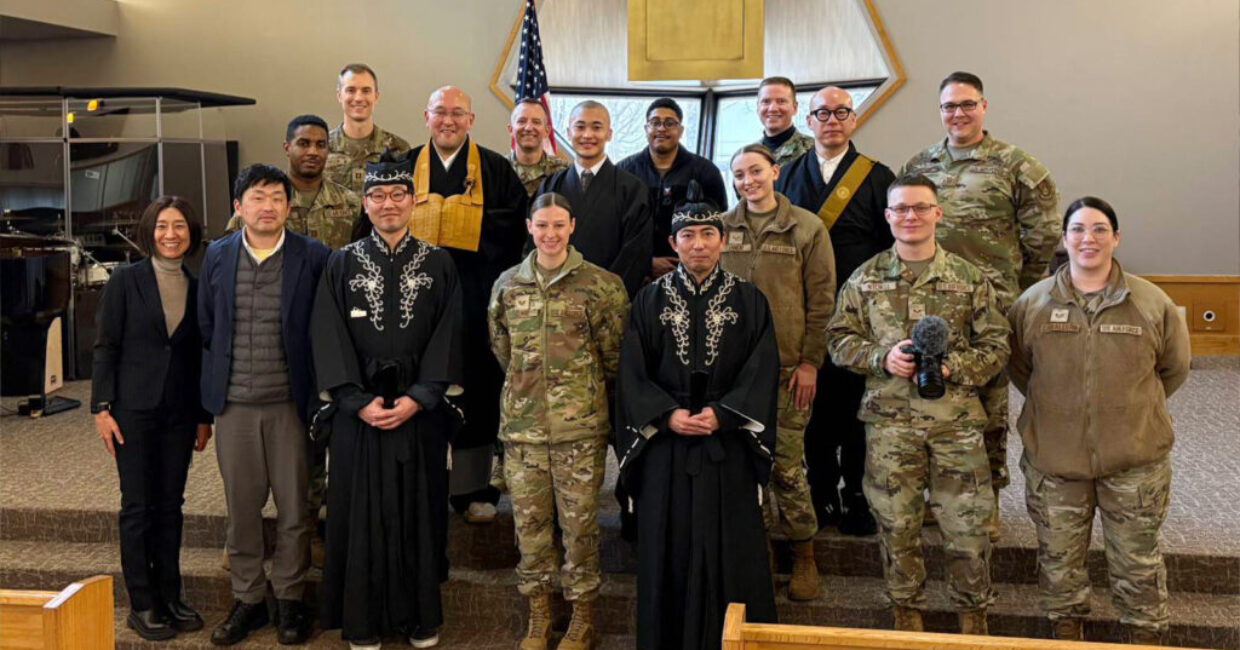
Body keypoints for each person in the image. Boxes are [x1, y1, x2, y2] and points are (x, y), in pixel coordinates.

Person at [826, 174, 1008, 635]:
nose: (911, 216)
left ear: (937, 214)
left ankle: (973, 617)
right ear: (888, 217)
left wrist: (953, 368)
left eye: (920, 208)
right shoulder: (865, 279)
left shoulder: (969, 280)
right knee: (897, 524)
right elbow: (837, 341)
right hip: (889, 426)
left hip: (956, 426)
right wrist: (880, 357)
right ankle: (907, 613)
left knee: (967, 529)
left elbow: (997, 347)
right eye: (901, 209)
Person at [1008, 197, 1190, 645]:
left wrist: (1128, 410)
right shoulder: (1033, 303)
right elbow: (1020, 369)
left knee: (1138, 566)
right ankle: (1067, 633)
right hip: (1056, 463)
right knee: (1059, 564)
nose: (1088, 239)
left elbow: (1174, 367)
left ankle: (1144, 638)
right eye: (1078, 229)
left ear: (1116, 237)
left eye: (1099, 229)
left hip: (1134, 463)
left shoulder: (1151, 302)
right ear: (1065, 238)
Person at [312, 151, 465, 650]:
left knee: (418, 512)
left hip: (418, 414)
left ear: (413, 200)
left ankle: (419, 618)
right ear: (365, 202)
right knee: (359, 516)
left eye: (398, 194)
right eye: (377, 195)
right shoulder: (342, 262)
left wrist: (420, 397)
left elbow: (449, 335)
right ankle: (362, 621)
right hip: (360, 416)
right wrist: (356, 401)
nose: (388, 204)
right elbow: (328, 335)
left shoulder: (440, 263)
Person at [616, 192, 780, 650]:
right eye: (688, 235)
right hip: (666, 446)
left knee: (731, 549)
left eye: (709, 233)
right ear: (674, 241)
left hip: (726, 443)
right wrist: (667, 415)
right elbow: (631, 373)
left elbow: (762, 369)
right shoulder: (647, 302)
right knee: (668, 549)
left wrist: (723, 415)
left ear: (723, 240)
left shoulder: (750, 301)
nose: (699, 244)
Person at [901, 71, 1060, 538]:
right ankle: (935, 493)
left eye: (967, 104)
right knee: (929, 397)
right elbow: (903, 222)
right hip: (929, 302)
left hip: (989, 305)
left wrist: (1018, 290)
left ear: (984, 107)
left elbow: (1043, 234)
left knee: (988, 405)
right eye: (949, 106)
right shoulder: (920, 163)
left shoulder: (1016, 165)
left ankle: (986, 496)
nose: (958, 114)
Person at [488, 192, 629, 650]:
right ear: (529, 227)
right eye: (542, 225)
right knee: (529, 528)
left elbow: (614, 357)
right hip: (523, 431)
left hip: (579, 431)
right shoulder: (508, 284)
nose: (550, 234)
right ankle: (539, 615)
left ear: (572, 227)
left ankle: (583, 617)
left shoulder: (602, 285)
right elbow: (502, 348)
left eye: (558, 225)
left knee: (580, 528)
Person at [199, 164, 329, 645]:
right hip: (233, 404)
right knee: (243, 509)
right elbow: (207, 327)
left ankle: (291, 599)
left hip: (291, 404)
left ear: (289, 208)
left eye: (277, 197)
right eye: (257, 197)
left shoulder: (312, 255)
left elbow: (322, 328)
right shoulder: (217, 255)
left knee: (296, 510)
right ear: (239, 207)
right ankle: (249, 600)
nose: (268, 206)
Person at [394, 85, 529, 523]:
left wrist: (453, 221)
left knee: (476, 386)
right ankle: (415, 480)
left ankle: (474, 488)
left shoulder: (494, 168)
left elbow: (514, 227)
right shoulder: (402, 167)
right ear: (426, 116)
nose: (448, 121)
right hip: (411, 301)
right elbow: (375, 219)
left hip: (475, 296)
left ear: (471, 120)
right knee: (413, 382)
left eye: (457, 113)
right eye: (440, 113)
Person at [91, 196, 212, 641]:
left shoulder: (199, 286)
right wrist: (101, 408)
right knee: (138, 506)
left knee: (171, 506)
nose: (171, 234)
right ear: (149, 230)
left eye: (179, 226)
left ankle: (171, 595)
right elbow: (106, 346)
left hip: (180, 412)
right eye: (162, 225)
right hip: (132, 411)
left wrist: (203, 416)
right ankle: (142, 602)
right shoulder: (125, 280)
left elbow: (199, 357)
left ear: (191, 233)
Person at [776, 85, 895, 536]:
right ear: (808, 122)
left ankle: (859, 496)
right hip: (804, 311)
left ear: (854, 119)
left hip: (860, 316)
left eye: (840, 112)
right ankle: (821, 488)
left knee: (855, 408)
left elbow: (891, 248)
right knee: (812, 404)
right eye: (821, 113)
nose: (831, 120)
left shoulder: (878, 177)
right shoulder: (786, 176)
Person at [720, 147, 835, 601]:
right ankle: (761, 553)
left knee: (786, 468)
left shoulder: (806, 228)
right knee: (746, 468)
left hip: (788, 370)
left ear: (775, 172)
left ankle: (804, 553)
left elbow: (823, 300)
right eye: (739, 174)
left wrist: (810, 362)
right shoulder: (722, 228)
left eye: (755, 171)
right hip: (733, 375)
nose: (748, 180)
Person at [537, 100, 653, 298]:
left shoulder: (632, 189)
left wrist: (603, 295)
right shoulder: (551, 186)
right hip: (556, 298)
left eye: (597, 127)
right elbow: (538, 241)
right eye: (580, 127)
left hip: (609, 302)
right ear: (568, 132)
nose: (587, 135)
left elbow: (636, 255)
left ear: (609, 134)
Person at [617, 97, 727, 279]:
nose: (661, 128)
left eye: (669, 123)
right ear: (646, 128)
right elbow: (616, 228)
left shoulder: (705, 172)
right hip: (635, 274)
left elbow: (717, 226)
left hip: (693, 273)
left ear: (681, 130)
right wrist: (645, 262)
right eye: (655, 123)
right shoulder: (624, 172)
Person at [227, 115, 362, 251]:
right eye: (304, 144)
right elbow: (232, 252)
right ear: (287, 148)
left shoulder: (349, 202)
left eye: (320, 145)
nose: (313, 152)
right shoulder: (260, 202)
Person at [326, 63, 412, 194]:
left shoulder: (398, 148)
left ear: (376, 96)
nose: (359, 98)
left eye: (366, 91)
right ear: (339, 95)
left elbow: (406, 199)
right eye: (351, 90)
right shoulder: (322, 148)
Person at [508, 98, 570, 197]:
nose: (528, 128)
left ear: (547, 131)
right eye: (522, 121)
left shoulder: (563, 172)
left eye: (536, 122)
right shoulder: (498, 170)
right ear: (510, 130)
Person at [753, 77, 814, 167]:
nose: (773, 108)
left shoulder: (813, 151)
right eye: (766, 101)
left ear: (795, 108)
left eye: (781, 101)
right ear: (758, 108)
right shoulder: (749, 154)